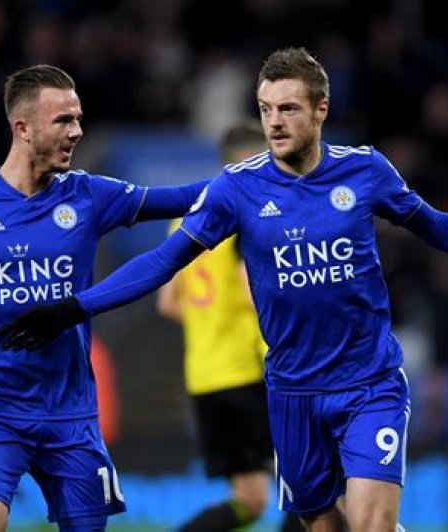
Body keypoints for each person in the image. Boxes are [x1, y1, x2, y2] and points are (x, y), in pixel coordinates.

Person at [0, 48, 448, 531]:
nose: (274, 121)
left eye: (288, 108)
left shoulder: (364, 171)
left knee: (370, 522)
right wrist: (75, 307)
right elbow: (163, 262)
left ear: (321, 110)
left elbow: (439, 227)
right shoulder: (237, 189)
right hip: (291, 393)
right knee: (323, 524)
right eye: (265, 109)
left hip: (369, 384)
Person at [0, 64, 209, 531]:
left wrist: (258, 181)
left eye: (78, 119)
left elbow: (184, 198)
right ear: (23, 128)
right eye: (63, 120)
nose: (77, 131)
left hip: (70, 416)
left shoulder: (89, 195)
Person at [157, 120, 302, 532]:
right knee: (312, 478)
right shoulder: (247, 218)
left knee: (250, 501)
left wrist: (211, 318)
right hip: (249, 372)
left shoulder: (185, 220)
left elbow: (168, 303)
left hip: (205, 378)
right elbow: (255, 292)